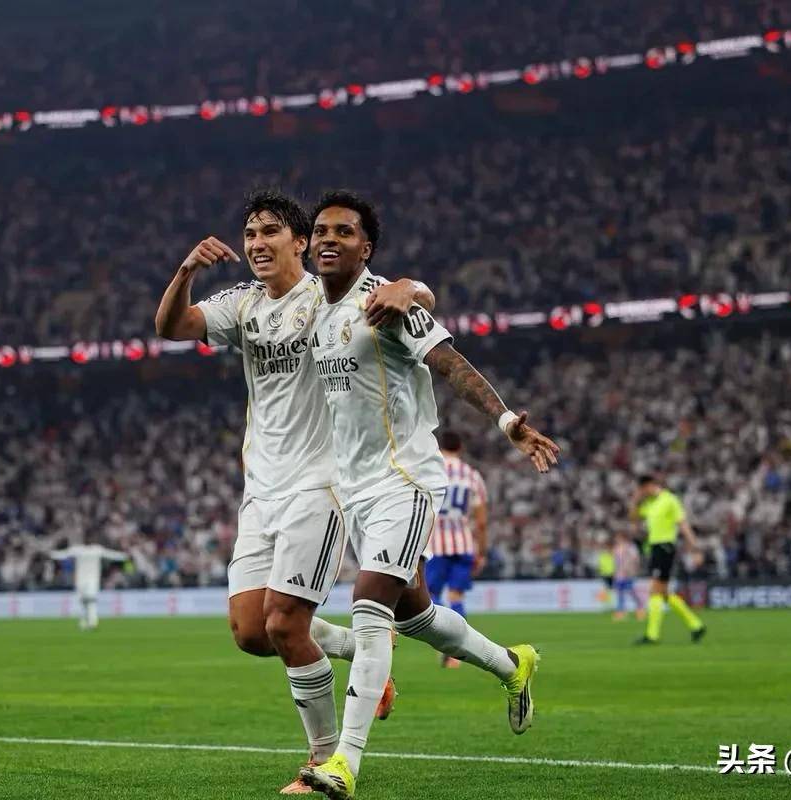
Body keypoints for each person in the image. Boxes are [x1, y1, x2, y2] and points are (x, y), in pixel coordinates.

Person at [154, 190, 429, 793]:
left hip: (321, 484)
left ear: (301, 243)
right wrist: (186, 270)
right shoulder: (242, 304)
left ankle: (323, 761)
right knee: (251, 632)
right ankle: (364, 652)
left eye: (270, 232)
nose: (257, 243)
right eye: (250, 233)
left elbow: (407, 296)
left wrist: (410, 286)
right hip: (261, 490)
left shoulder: (328, 295)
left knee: (283, 623)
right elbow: (172, 326)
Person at [300, 190, 560, 799]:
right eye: (320, 231)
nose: (329, 238)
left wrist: (506, 421)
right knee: (414, 615)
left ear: (366, 247)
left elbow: (449, 363)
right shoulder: (310, 308)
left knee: (369, 608)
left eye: (344, 231)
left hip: (406, 479)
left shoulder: (389, 305)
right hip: (353, 489)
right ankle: (513, 663)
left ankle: (344, 763)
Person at [425, 430, 488, 667]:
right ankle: (457, 653)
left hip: (435, 545)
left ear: (439, 448)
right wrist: (481, 552)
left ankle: (445, 641)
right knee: (457, 597)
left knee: (431, 598)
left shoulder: (429, 471)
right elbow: (481, 522)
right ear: (460, 448)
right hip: (463, 544)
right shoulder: (472, 475)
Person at [630, 475, 707, 644]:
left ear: (649, 485)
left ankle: (652, 635)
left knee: (655, 590)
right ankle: (696, 625)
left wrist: (695, 548)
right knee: (663, 593)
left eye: (642, 489)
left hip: (665, 547)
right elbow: (634, 519)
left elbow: (683, 524)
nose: (642, 493)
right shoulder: (650, 503)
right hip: (654, 549)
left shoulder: (670, 500)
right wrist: (635, 501)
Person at [48, 540, 129, 630]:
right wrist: (51, 554)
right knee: (82, 602)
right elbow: (64, 554)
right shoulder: (78, 549)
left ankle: (93, 622)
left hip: (92, 580)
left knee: (91, 601)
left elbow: (110, 554)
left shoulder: (96, 549)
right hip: (80, 580)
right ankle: (83, 622)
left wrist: (124, 556)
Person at [611, 531, 645, 621]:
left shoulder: (630, 547)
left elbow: (635, 559)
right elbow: (616, 562)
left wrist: (631, 569)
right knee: (620, 592)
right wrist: (615, 572)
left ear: (623, 537)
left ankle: (640, 608)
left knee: (631, 591)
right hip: (619, 574)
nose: (616, 539)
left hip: (628, 573)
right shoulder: (617, 548)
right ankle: (621, 611)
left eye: (618, 537)